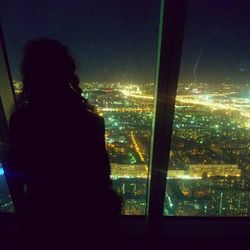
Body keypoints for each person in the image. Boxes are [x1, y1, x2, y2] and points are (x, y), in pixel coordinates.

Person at [7, 38, 122, 248]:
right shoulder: (91, 121)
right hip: (90, 219)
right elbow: (101, 174)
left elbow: (20, 172)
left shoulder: (22, 121)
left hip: (43, 219)